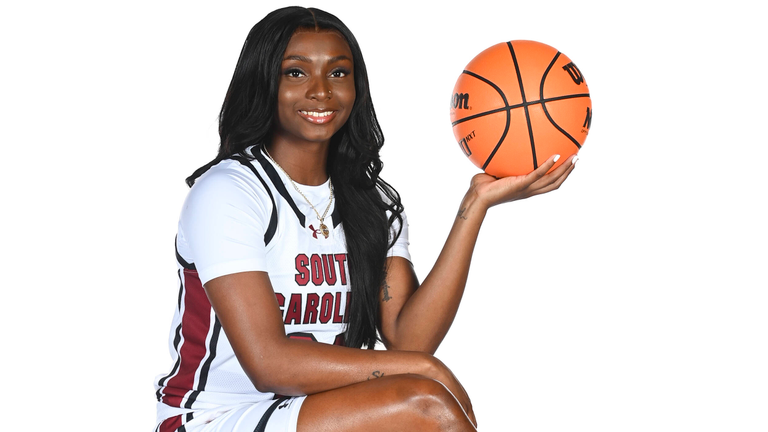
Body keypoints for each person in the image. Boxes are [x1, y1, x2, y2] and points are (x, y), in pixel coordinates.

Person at [154, 6, 576, 432]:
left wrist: (475, 205)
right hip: (214, 418)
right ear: (263, 81)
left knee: (424, 399)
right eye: (295, 73)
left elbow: (408, 340)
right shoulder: (230, 193)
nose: (321, 91)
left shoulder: (370, 200)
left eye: (338, 73)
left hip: (317, 410)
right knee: (425, 403)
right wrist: (428, 371)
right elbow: (269, 364)